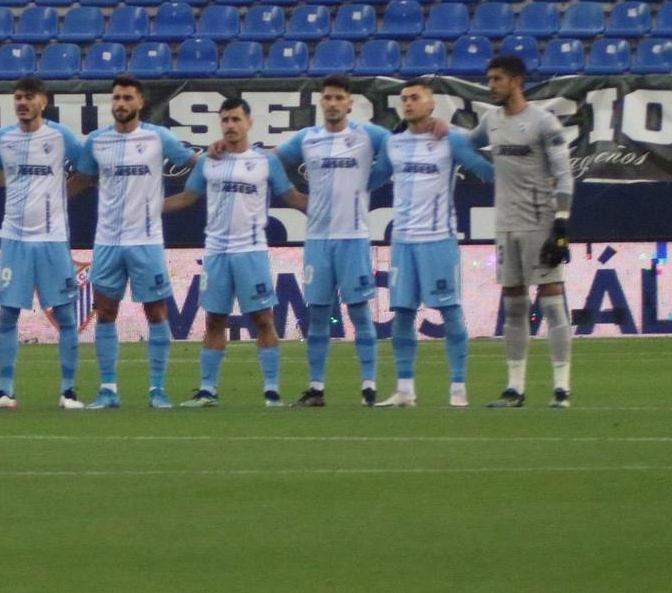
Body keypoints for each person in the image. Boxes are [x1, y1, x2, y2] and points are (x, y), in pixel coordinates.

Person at [166, 99, 308, 407]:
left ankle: (271, 392)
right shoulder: (209, 161)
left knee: (263, 319)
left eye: (235, 119)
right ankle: (207, 391)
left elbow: (292, 197)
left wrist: (328, 209)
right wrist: (147, 209)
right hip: (216, 252)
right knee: (214, 321)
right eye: (225, 120)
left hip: (251, 252)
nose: (230, 125)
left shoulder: (265, 162)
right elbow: (187, 197)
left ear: (249, 122)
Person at [70, 76, 194, 410]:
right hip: (108, 241)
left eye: (127, 98)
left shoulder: (158, 137)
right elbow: (80, 179)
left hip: (146, 241)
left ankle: (158, 389)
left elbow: (195, 164)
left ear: (140, 103)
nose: (121, 104)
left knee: (156, 312)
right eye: (116, 98)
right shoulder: (97, 141)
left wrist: (186, 198)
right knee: (105, 312)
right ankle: (108, 389)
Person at [0, 77, 87, 410]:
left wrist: (63, 195)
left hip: (52, 239)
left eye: (28, 97)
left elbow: (88, 169)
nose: (21, 102)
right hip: (15, 240)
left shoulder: (61, 137)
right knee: (7, 315)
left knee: (65, 315)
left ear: (43, 101)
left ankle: (69, 391)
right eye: (17, 97)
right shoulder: (3, 138)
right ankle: (4, 391)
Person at [275, 75, 391, 407]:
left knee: (359, 313)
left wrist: (372, 180)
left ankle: (369, 386)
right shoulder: (307, 138)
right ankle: (316, 388)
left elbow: (399, 147)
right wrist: (292, 196)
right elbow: (271, 160)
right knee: (319, 314)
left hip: (353, 237)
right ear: (320, 102)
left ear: (350, 103)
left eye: (339, 98)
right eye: (327, 98)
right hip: (317, 240)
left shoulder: (367, 135)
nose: (333, 103)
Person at [381, 78, 493, 409]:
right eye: (404, 99)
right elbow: (372, 177)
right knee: (401, 314)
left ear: (431, 104)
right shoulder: (394, 144)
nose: (408, 103)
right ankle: (404, 389)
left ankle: (458, 389)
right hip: (402, 241)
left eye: (415, 97)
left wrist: (521, 178)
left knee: (450, 310)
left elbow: (484, 170)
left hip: (438, 240)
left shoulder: (451, 140)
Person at [471, 56, 575, 409]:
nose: (491, 85)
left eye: (496, 79)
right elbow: (468, 144)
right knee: (514, 307)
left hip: (539, 222)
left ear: (516, 81)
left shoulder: (543, 122)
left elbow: (564, 174)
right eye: (489, 79)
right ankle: (515, 388)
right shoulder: (491, 120)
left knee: (552, 304)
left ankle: (561, 388)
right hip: (505, 225)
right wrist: (440, 131)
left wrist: (560, 224)